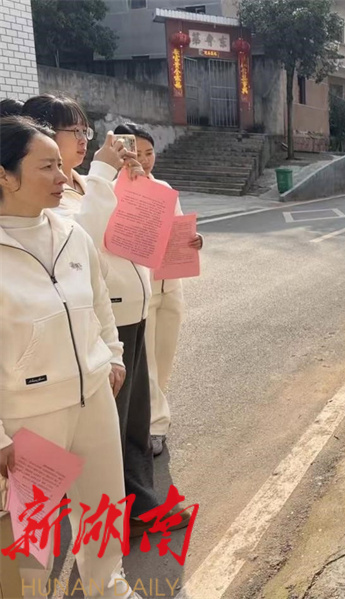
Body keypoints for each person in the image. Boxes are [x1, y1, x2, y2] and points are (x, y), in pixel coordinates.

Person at [21, 95, 191, 536]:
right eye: (72, 131)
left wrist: (130, 183)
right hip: (94, 322)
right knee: (105, 429)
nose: (82, 140)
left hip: (126, 312)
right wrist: (102, 174)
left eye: (85, 131)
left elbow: (129, 234)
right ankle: (112, 517)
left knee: (131, 421)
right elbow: (85, 240)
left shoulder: (83, 181)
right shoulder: (50, 191)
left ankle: (137, 508)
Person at [0, 115, 142, 598]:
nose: (63, 177)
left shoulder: (70, 233)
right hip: (31, 418)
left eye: (60, 166)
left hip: (93, 399)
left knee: (103, 504)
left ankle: (108, 585)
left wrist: (113, 357)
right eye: (47, 167)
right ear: (5, 175)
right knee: (33, 535)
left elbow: (100, 304)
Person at [113, 123, 203, 457]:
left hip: (171, 286)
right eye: (137, 153)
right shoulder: (114, 190)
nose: (144, 159)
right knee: (147, 363)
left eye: (149, 152)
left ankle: (149, 416)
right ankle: (155, 426)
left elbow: (178, 232)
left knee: (163, 359)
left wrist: (195, 241)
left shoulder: (164, 189)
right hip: (142, 290)